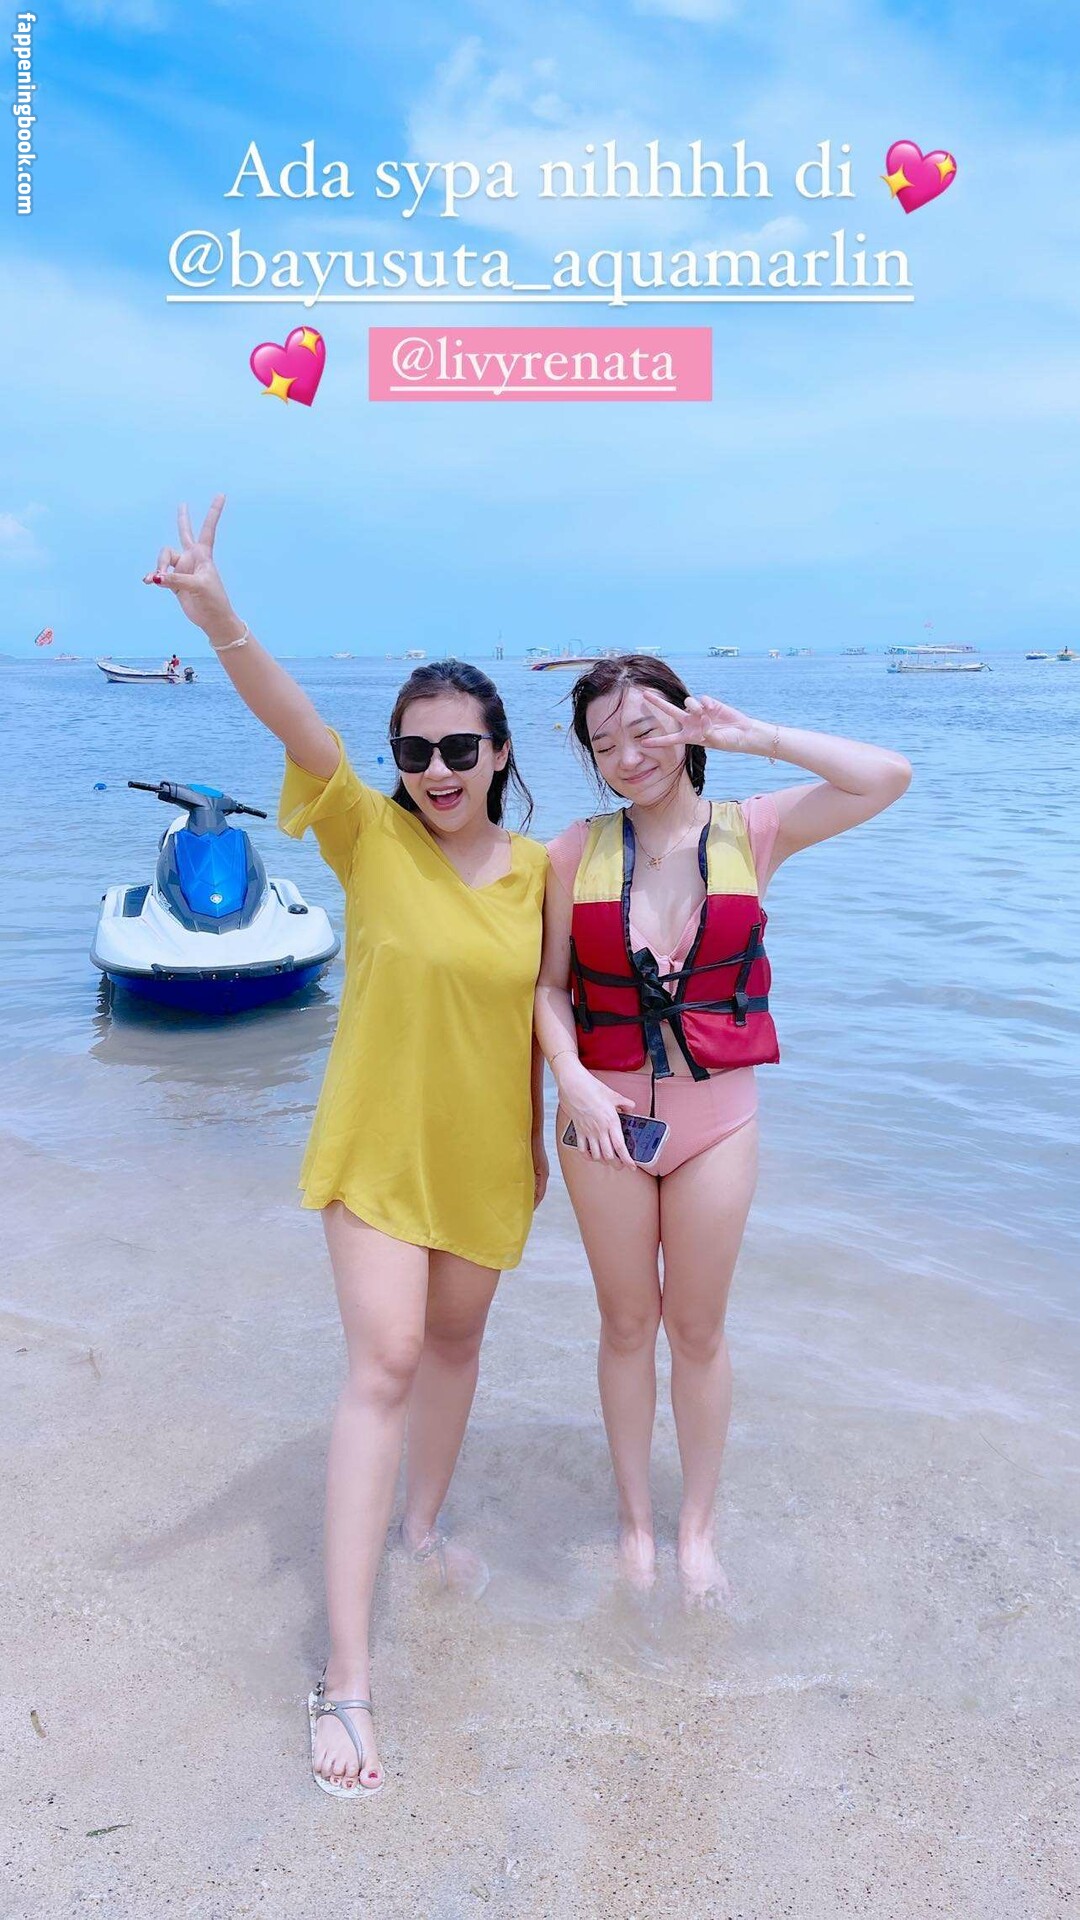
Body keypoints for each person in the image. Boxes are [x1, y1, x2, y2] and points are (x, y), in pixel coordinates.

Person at [142, 495, 549, 1796]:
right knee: (384, 1365)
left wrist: (556, 1139)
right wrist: (219, 614)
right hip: (375, 1157)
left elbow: (548, 1012)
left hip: (489, 1163)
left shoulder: (542, 871)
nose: (436, 769)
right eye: (415, 750)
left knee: (457, 1348)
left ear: (499, 751)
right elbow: (294, 722)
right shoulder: (368, 836)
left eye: (459, 747)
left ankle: (420, 1527)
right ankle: (348, 1676)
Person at [534, 655, 911, 1604]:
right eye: (605, 744)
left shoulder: (755, 830)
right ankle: (635, 1523)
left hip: (718, 1121)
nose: (630, 757)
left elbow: (886, 776)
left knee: (697, 1329)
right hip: (603, 1118)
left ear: (684, 724)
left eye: (646, 730)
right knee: (627, 1323)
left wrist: (754, 738)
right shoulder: (573, 852)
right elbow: (548, 987)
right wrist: (571, 1078)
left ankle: (695, 1528)